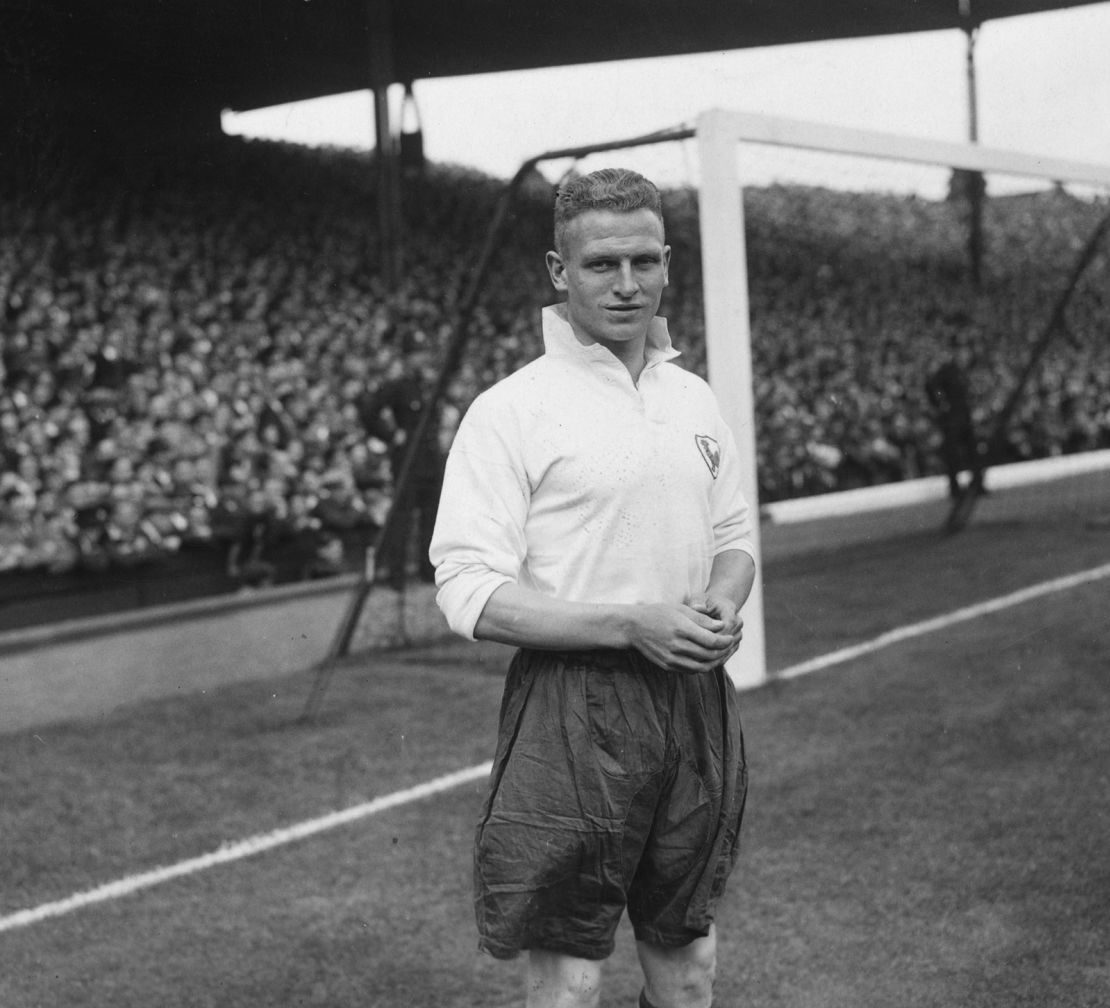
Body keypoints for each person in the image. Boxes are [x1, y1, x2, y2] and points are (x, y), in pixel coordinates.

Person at [429, 168, 756, 1008]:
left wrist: (721, 599)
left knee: (689, 968)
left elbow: (732, 538)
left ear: (668, 263)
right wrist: (627, 625)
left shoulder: (692, 396)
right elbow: (467, 588)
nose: (627, 284)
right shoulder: (513, 410)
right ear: (557, 270)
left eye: (644, 261)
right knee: (569, 979)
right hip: (572, 706)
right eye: (603, 264)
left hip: (693, 698)